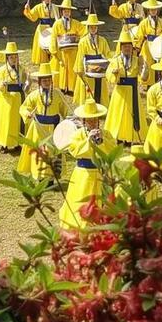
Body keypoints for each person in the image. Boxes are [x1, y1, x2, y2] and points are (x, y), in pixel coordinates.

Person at [59, 99, 117, 231]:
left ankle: (102, 222)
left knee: (101, 199)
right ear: (83, 121)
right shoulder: (78, 134)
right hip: (83, 172)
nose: (92, 123)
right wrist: (88, 140)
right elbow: (74, 151)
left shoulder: (106, 134)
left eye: (95, 120)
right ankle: (80, 222)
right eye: (89, 120)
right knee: (81, 198)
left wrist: (102, 141)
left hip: (99, 171)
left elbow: (112, 150)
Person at [18, 64, 68, 180]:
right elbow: (24, 107)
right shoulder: (34, 95)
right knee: (39, 154)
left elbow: (65, 110)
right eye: (44, 80)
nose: (46, 82)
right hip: (38, 128)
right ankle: (40, 177)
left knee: (53, 153)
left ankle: (52, 178)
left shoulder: (57, 95)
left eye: (48, 79)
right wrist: (27, 113)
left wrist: (69, 121)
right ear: (40, 81)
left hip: (54, 129)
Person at [104, 29, 147, 145]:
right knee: (119, 114)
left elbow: (143, 77)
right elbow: (108, 75)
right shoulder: (115, 60)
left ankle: (131, 136)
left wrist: (144, 67)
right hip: (120, 92)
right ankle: (118, 136)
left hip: (133, 91)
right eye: (125, 46)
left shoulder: (137, 60)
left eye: (129, 46)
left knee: (132, 114)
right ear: (121, 47)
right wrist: (114, 73)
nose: (127, 49)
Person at [0, 42, 27, 152]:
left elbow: (24, 82)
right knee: (6, 121)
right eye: (11, 57)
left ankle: (17, 143)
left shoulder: (21, 69)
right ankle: (5, 144)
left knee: (17, 121)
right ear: (7, 58)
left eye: (15, 57)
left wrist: (27, 84)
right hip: (6, 99)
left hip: (18, 98)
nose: (14, 59)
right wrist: (2, 85)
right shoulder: (2, 70)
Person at [73, 12, 112, 107]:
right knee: (89, 89)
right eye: (91, 27)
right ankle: (89, 107)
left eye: (95, 27)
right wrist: (80, 70)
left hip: (100, 69)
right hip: (88, 69)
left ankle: (101, 106)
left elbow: (107, 54)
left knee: (100, 88)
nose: (93, 29)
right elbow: (80, 56)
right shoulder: (83, 41)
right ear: (88, 28)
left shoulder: (102, 40)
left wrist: (108, 64)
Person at [50, 0, 84, 95]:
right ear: (61, 12)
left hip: (73, 50)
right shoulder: (57, 24)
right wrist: (53, 50)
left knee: (73, 68)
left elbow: (84, 32)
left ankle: (72, 87)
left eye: (68, 11)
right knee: (62, 68)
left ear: (70, 12)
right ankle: (62, 86)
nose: (66, 12)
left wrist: (78, 38)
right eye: (64, 11)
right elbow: (53, 37)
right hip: (62, 51)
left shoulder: (76, 23)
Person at [133, 0, 162, 88]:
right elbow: (139, 35)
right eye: (151, 9)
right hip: (148, 46)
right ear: (148, 10)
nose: (153, 11)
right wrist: (137, 46)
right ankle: (149, 84)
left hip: (159, 45)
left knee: (159, 63)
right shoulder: (144, 23)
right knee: (148, 64)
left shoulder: (161, 22)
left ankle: (160, 82)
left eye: (155, 9)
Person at [23, 0, 59, 65]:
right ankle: (42, 60)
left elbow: (57, 18)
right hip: (42, 28)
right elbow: (33, 17)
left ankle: (53, 58)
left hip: (52, 27)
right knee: (42, 44)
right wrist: (27, 9)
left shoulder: (55, 7)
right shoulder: (38, 7)